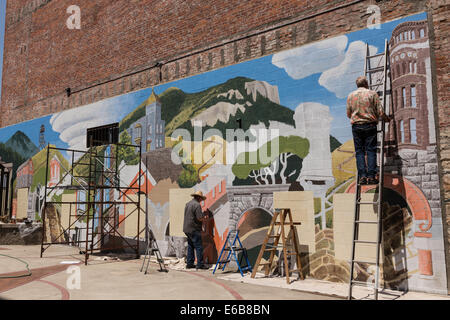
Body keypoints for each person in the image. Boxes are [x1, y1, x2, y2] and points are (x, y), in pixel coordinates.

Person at [347, 76, 392, 185]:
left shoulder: (351, 96)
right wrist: (387, 119)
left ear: (357, 85)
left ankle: (362, 176)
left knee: (359, 152)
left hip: (356, 126)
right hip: (369, 125)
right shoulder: (372, 94)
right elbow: (380, 111)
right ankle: (371, 176)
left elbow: (348, 114)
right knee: (371, 150)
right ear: (366, 83)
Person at [183, 190, 209, 270]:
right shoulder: (197, 205)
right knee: (199, 247)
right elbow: (199, 218)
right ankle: (200, 264)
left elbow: (191, 215)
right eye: (201, 199)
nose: (201, 200)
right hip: (194, 228)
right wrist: (205, 218)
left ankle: (189, 263)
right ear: (198, 198)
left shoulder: (188, 204)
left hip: (186, 228)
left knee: (190, 246)